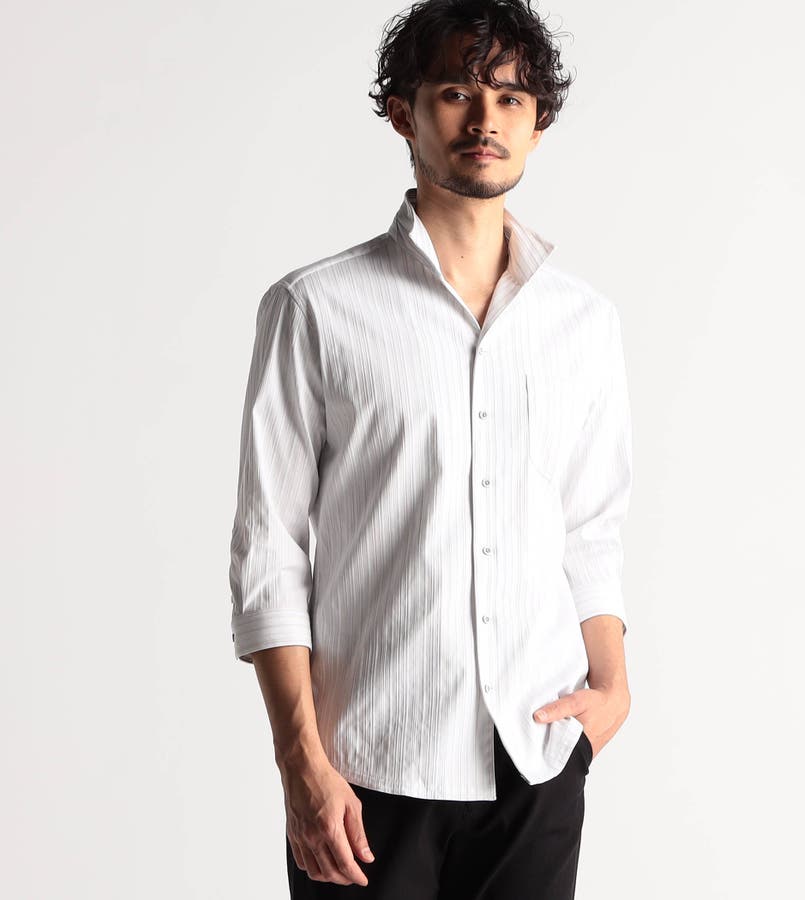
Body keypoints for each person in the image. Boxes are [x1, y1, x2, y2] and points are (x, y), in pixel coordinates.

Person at [227, 1, 634, 896]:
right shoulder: (315, 308)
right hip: (367, 773)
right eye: (456, 92)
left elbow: (591, 526)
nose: (486, 119)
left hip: (536, 761)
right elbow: (269, 551)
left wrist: (611, 688)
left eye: (511, 98)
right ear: (402, 113)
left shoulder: (585, 324)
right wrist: (301, 764)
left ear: (537, 124)